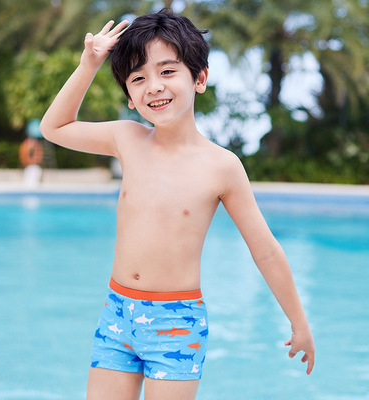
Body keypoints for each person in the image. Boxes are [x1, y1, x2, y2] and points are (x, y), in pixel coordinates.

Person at [40, 8, 315, 400]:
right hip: (118, 312)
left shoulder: (221, 166)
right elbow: (54, 127)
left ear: (199, 78)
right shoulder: (127, 139)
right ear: (130, 97)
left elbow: (265, 250)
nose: (154, 86)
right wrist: (89, 64)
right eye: (138, 78)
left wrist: (299, 321)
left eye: (167, 71)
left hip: (177, 322)